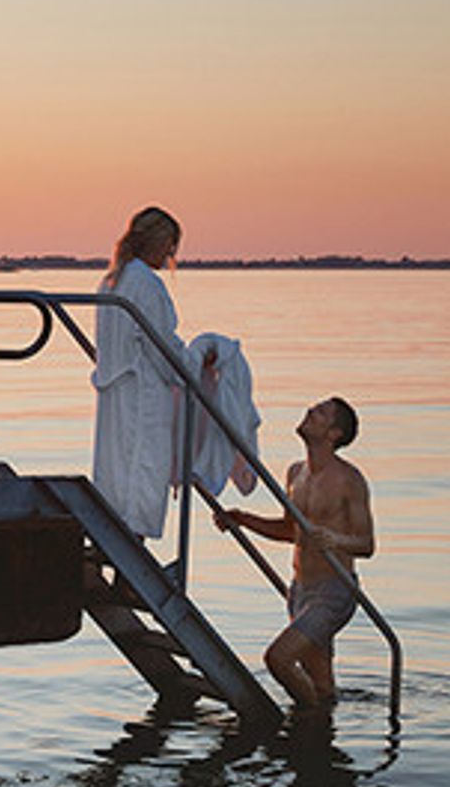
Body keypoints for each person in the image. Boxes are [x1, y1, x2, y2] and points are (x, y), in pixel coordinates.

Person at [213, 396, 375, 708]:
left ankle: (301, 728)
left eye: (322, 412)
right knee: (322, 687)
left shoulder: (349, 480)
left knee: (279, 659)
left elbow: (366, 544)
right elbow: (291, 531)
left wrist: (334, 540)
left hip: (334, 592)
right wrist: (243, 519)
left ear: (334, 434)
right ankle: (319, 737)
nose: (311, 410)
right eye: (316, 407)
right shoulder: (295, 473)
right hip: (299, 591)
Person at [92, 205, 206, 538]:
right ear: (158, 241)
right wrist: (197, 362)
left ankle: (117, 551)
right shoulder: (146, 284)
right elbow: (163, 350)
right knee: (140, 474)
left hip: (116, 393)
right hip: (142, 396)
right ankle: (132, 561)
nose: (172, 254)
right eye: (171, 245)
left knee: (117, 475)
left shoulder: (112, 280)